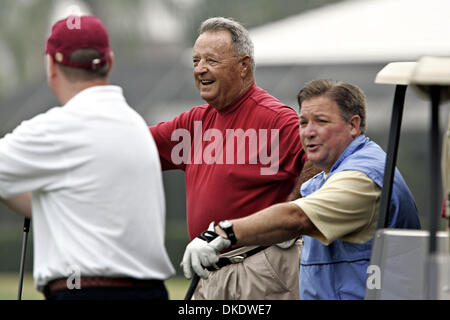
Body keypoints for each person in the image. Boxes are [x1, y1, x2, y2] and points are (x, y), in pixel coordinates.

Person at [181, 79, 421, 300]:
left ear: (353, 125)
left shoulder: (361, 176)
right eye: (303, 122)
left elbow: (298, 217)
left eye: (322, 121)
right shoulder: (328, 174)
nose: (308, 132)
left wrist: (223, 234)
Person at [0, 15, 175, 300]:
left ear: (52, 67)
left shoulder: (57, 128)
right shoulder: (135, 125)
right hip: (151, 292)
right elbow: (77, 207)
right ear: (110, 62)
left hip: (83, 291)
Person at [150, 17, 314, 299]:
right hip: (210, 271)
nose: (200, 68)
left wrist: (292, 214)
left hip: (257, 267)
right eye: (196, 60)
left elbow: (321, 158)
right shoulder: (194, 123)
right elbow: (137, 147)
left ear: (243, 66)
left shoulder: (275, 119)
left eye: (211, 60)